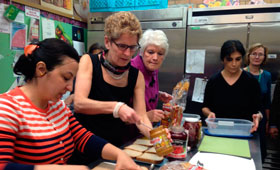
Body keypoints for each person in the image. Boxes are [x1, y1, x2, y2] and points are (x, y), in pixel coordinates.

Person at [0, 38, 140, 170]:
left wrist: (119, 154)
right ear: (41, 69)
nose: (70, 88)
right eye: (66, 78)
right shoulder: (7, 108)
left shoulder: (57, 106)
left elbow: (82, 137)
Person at [74, 11, 152, 147]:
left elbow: (142, 117)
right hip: (86, 145)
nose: (128, 53)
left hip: (116, 147)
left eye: (132, 47)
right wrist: (117, 107)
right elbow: (79, 104)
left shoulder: (136, 76)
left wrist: (157, 137)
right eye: (122, 46)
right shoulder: (89, 62)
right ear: (107, 42)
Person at [202, 40, 262, 133]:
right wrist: (209, 114)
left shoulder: (251, 81)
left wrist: (258, 116)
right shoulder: (214, 81)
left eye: (238, 59)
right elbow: (205, 107)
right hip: (218, 131)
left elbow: (258, 110)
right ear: (223, 60)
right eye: (229, 59)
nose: (234, 64)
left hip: (244, 132)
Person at [131, 29, 172, 123]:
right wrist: (146, 116)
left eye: (160, 53)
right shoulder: (131, 70)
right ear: (142, 52)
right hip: (129, 134)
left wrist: (158, 94)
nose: (155, 58)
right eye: (150, 52)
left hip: (146, 131)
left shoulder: (153, 69)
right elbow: (119, 114)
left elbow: (143, 90)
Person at [244, 43, 271, 161]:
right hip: (244, 116)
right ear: (249, 56)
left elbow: (267, 101)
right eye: (254, 54)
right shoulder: (241, 73)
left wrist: (268, 122)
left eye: (260, 54)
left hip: (261, 118)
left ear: (264, 57)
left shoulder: (267, 75)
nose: (257, 57)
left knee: (259, 153)